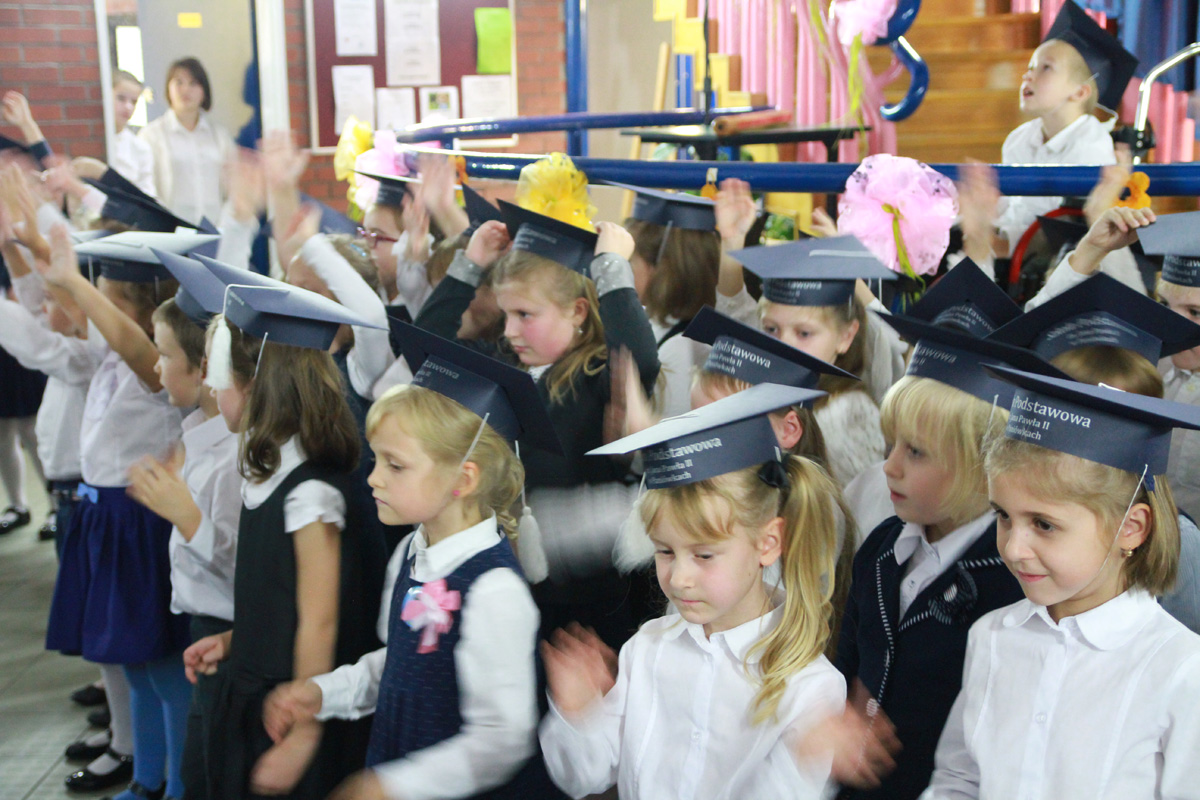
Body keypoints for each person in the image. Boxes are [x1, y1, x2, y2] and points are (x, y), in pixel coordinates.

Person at [259, 322, 564, 800]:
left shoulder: (494, 591)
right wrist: (324, 693)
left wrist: (393, 786)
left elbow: (501, 740)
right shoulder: (410, 552)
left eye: (395, 465)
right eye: (377, 459)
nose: (373, 478)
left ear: (463, 480)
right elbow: (402, 662)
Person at [540, 383, 846, 799]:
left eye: (703, 555)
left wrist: (801, 760)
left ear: (768, 543)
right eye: (665, 551)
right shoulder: (647, 648)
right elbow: (585, 777)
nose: (679, 577)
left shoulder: (809, 685)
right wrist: (580, 715)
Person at [923, 368, 1200, 798]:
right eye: (1003, 516)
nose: (1013, 548)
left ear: (1131, 528)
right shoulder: (991, 637)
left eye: (1044, 524)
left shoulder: (1181, 669)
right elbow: (960, 779)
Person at [834, 313, 1059, 800]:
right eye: (891, 444)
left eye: (915, 452)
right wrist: (843, 708)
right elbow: (847, 652)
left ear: (981, 466)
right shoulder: (882, 546)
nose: (889, 466)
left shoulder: (1011, 580)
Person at [182, 278, 385, 799]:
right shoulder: (267, 470)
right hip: (257, 684)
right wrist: (236, 640)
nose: (211, 390)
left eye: (219, 377)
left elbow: (321, 620)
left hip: (291, 707)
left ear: (256, 385)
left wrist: (303, 731)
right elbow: (280, 596)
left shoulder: (310, 494)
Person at [40, 229, 207, 800]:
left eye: (105, 300)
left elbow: (136, 346)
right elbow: (90, 322)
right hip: (106, 519)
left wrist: (72, 281)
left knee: (163, 667)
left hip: (141, 523)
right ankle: (145, 777)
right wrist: (37, 253)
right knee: (132, 663)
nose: (87, 308)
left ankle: (179, 785)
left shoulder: (151, 367)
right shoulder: (106, 358)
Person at [129, 251, 244, 800]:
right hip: (204, 624)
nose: (155, 367)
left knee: (212, 772)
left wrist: (187, 517)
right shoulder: (198, 436)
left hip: (230, 633)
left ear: (204, 370)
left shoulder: (233, 458)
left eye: (163, 354)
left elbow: (250, 568)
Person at [720, 236, 900, 486]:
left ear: (845, 336)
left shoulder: (846, 412)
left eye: (804, 333)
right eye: (771, 329)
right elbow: (735, 309)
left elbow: (856, 502)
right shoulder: (768, 391)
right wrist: (731, 240)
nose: (784, 344)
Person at [990, 1, 1137, 257]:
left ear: (1080, 92)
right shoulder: (1018, 139)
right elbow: (1006, 206)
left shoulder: (1092, 146)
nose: (1028, 76)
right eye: (1030, 68)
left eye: (1046, 68)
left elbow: (1057, 223)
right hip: (1007, 242)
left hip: (1050, 255)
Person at [616, 182, 722, 418]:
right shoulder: (656, 322)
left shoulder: (680, 348)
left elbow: (667, 430)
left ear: (662, 269)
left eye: (629, 261)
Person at [139, 57, 236, 226]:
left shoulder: (220, 137)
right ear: (168, 88)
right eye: (179, 82)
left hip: (216, 230)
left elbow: (234, 189)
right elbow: (145, 189)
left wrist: (225, 226)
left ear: (204, 91)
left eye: (193, 83)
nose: (185, 90)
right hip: (170, 231)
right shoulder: (151, 135)